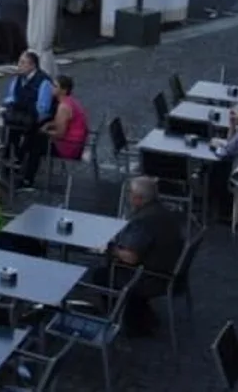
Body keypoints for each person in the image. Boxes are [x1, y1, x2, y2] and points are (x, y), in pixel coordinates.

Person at [91, 176, 185, 336]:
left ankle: (125, 319)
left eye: (130, 193)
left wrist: (108, 249)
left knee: (101, 275)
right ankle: (140, 312)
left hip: (150, 278)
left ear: (138, 198)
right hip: (167, 271)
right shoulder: (164, 213)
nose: (128, 196)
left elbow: (131, 257)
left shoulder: (144, 220)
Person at [1, 50, 55, 189]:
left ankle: (27, 177)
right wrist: (8, 104)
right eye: (19, 62)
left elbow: (43, 108)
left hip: (37, 122)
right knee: (9, 136)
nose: (19, 65)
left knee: (33, 143)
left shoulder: (44, 82)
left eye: (23, 63)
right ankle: (8, 167)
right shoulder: (18, 79)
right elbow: (12, 96)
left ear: (33, 66)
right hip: (18, 119)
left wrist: (27, 113)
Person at [43, 75, 89, 163]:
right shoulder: (71, 101)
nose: (51, 88)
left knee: (34, 142)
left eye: (55, 86)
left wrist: (45, 132)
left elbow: (59, 134)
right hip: (78, 144)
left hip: (69, 147)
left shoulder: (63, 107)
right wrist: (49, 124)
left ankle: (28, 174)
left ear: (63, 91)